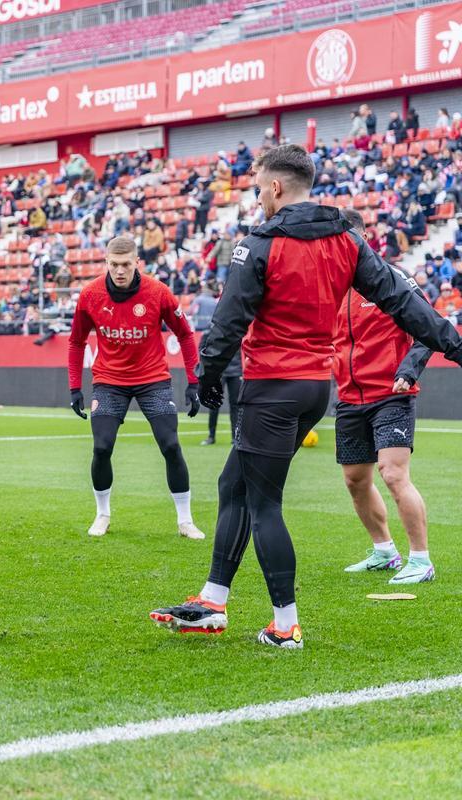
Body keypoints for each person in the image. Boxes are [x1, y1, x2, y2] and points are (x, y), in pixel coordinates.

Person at [150, 145, 462, 649]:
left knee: (263, 502)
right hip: (318, 388)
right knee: (235, 483)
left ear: (275, 187)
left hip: (272, 387)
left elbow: (230, 321)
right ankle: (212, 600)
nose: (256, 199)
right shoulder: (347, 239)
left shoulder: (260, 243)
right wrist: (456, 345)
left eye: (257, 189)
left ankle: (285, 625)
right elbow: (405, 302)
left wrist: (204, 377)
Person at [67, 235, 205, 540]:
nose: (119, 270)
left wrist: (194, 382)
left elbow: (185, 334)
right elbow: (76, 341)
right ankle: (102, 514)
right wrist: (75, 387)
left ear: (137, 263)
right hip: (108, 382)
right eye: (114, 264)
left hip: (152, 379)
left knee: (170, 445)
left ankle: (185, 520)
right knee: (102, 448)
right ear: (106, 262)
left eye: (125, 264)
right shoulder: (90, 295)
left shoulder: (158, 292)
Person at [334, 209, 434, 584]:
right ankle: (384, 552)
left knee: (392, 474)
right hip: (348, 397)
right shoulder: (331, 288)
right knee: (354, 480)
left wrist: (408, 370)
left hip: (392, 392)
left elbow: (428, 328)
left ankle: (421, 560)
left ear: (361, 240)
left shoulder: (392, 279)